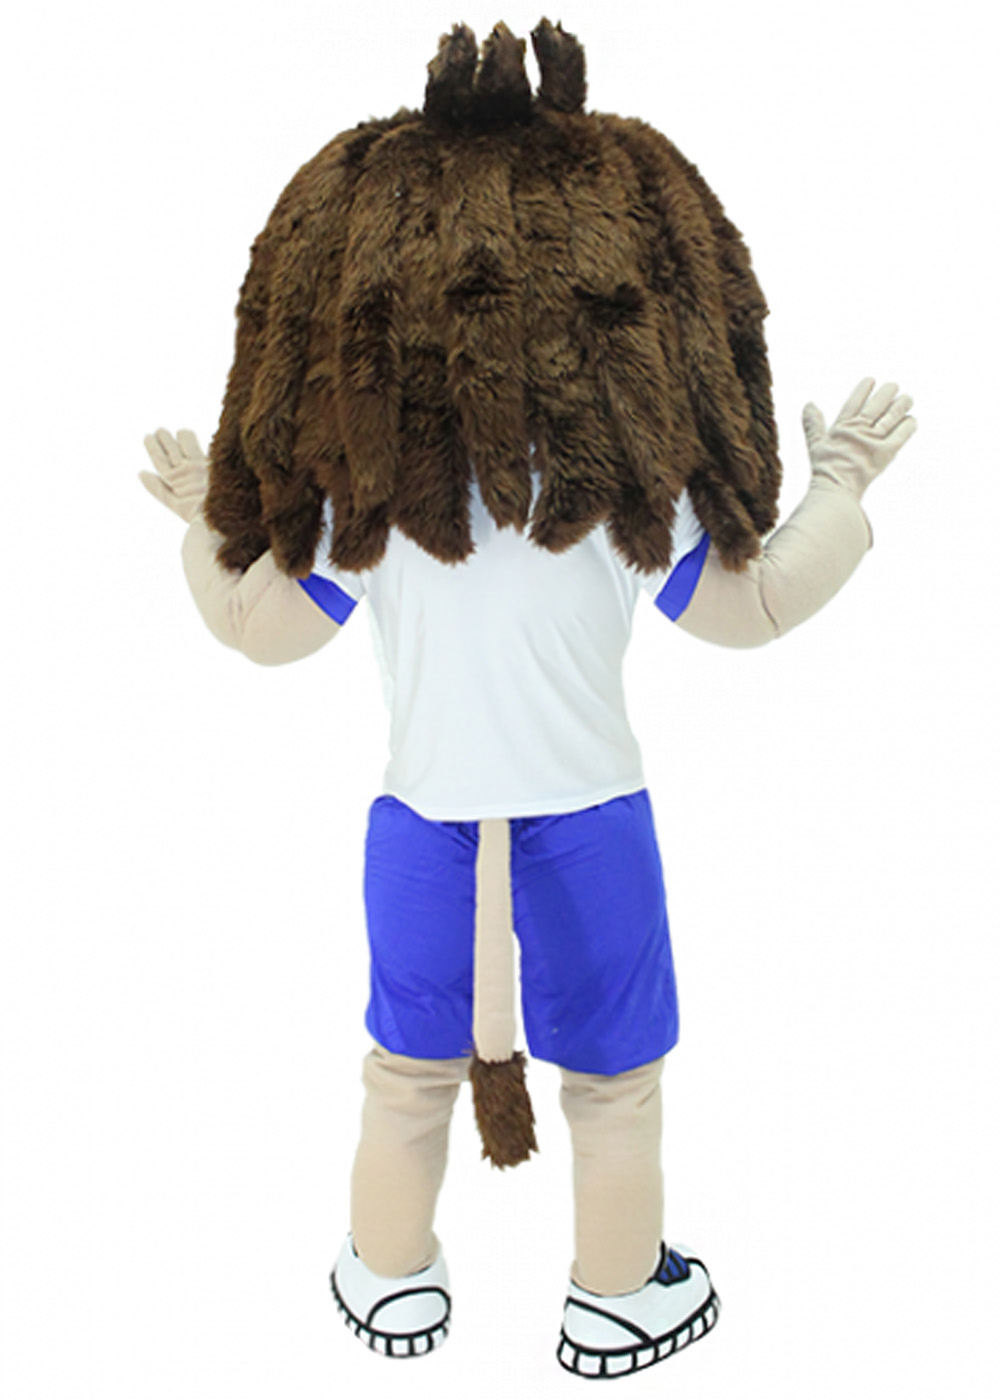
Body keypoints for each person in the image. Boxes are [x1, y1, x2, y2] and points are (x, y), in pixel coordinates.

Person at [140, 18, 917, 1380]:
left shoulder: (367, 515)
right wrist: (842, 484)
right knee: (615, 1089)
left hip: (424, 830)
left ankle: (390, 1281)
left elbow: (258, 633)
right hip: (590, 824)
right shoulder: (629, 500)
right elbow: (756, 611)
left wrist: (202, 521)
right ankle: (617, 1299)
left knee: (406, 1077)